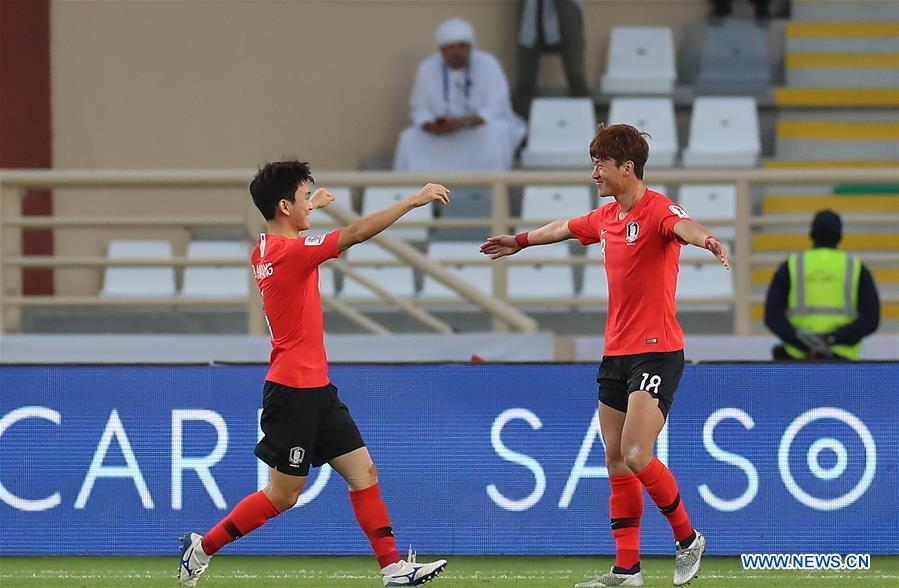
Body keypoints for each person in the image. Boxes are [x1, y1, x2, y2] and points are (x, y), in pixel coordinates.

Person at [178, 161, 450, 587]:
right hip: (293, 393)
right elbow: (356, 233)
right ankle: (201, 547)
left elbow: (292, 238)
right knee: (283, 496)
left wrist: (310, 210)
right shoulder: (292, 253)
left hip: (316, 389)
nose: (312, 201)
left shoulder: (265, 249)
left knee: (364, 473)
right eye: (305, 197)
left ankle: (393, 569)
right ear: (284, 205)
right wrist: (414, 200)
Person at [481, 124, 729, 587]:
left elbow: (683, 225)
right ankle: (627, 569)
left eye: (601, 163)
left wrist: (707, 239)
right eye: (593, 162)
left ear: (626, 168)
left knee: (637, 453)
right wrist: (518, 242)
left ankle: (687, 537)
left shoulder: (657, 210)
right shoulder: (607, 217)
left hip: (657, 353)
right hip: (615, 353)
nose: (594, 171)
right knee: (615, 460)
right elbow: (562, 227)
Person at [393, 17, 526, 172]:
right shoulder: (427, 68)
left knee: (497, 132)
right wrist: (432, 126)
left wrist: (464, 123)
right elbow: (419, 109)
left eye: (461, 46)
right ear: (442, 50)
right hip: (441, 134)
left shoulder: (488, 64)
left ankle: (491, 188)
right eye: (450, 47)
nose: (456, 52)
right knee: (409, 138)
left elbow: (496, 107)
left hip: (476, 130)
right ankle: (414, 191)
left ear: (471, 47)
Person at [764, 209, 880, 361]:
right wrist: (832, 339)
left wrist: (806, 343)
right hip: (842, 360)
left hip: (797, 358)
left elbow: (772, 316)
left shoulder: (792, 265)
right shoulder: (855, 267)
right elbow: (871, 319)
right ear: (840, 236)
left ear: (811, 234)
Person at [513, 0, 590, 119]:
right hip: (532, 6)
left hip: (566, 5)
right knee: (525, 78)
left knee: (576, 74)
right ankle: (524, 123)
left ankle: (582, 118)